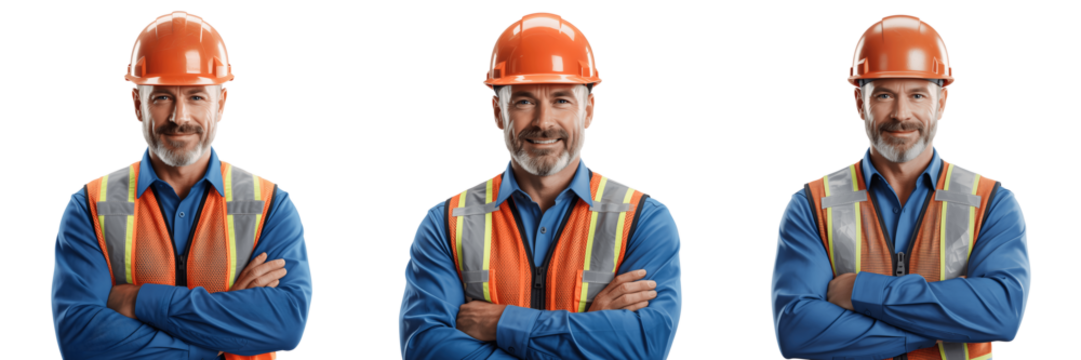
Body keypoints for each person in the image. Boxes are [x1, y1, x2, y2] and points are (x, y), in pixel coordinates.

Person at [396, 11, 685, 360]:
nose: (543, 122)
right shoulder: (445, 224)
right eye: (524, 101)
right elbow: (425, 348)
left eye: (561, 99)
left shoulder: (643, 221)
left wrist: (503, 323)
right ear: (496, 111)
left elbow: (644, 346)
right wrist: (589, 327)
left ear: (589, 110)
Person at [48, 10, 314, 360]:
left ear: (221, 103)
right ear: (136, 105)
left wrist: (136, 300)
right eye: (161, 97)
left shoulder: (271, 205)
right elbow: (79, 337)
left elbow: (286, 325)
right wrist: (221, 338)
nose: (179, 117)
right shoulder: (89, 206)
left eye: (196, 96)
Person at [769, 13, 1032, 360]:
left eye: (918, 95)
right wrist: (936, 328)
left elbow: (1003, 313)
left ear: (943, 102)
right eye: (883, 95)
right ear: (859, 103)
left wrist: (862, 291)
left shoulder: (992, 203)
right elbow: (797, 333)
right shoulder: (811, 205)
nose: (901, 113)